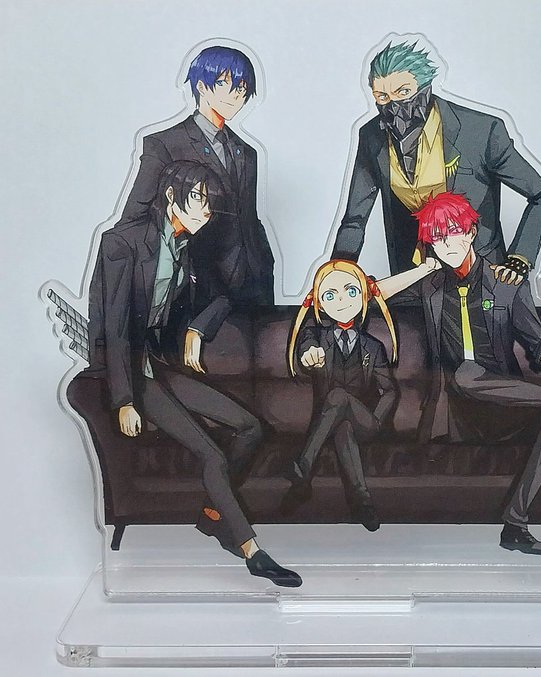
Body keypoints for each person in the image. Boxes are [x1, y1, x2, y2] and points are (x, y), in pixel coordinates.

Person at [88, 159, 301, 586]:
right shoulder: (122, 243)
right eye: (199, 199)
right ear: (171, 196)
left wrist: (195, 330)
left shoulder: (190, 246)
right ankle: (251, 551)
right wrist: (124, 400)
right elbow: (114, 327)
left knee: (251, 427)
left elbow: (225, 296)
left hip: (159, 363)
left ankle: (213, 513)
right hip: (128, 371)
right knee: (212, 455)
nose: (206, 210)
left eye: (209, 201)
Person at [376, 191, 541, 556]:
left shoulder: (505, 283)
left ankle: (515, 526)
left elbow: (539, 340)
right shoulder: (430, 287)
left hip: (506, 403)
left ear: (471, 232)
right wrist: (423, 269)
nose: (448, 244)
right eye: (437, 237)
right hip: (459, 411)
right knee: (467, 373)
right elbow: (368, 295)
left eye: (454, 232)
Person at [332, 40, 541, 285]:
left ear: (425, 88)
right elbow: (355, 216)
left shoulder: (481, 131)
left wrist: (519, 258)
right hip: (413, 275)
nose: (393, 104)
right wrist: (337, 273)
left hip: (482, 272)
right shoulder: (371, 136)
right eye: (382, 96)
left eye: (404, 92)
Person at [115, 45, 275, 304]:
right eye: (224, 83)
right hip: (197, 285)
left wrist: (264, 262)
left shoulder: (247, 152)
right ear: (201, 86)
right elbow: (134, 219)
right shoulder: (165, 144)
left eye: (242, 87)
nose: (236, 94)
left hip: (253, 282)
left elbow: (249, 217)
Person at [280, 260, 398, 531]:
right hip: (333, 423)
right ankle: (362, 502)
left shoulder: (373, 346)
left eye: (351, 291)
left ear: (363, 296)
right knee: (343, 427)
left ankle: (303, 468)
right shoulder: (315, 335)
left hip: (366, 421)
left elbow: (390, 391)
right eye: (331, 295)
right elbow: (306, 347)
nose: (342, 301)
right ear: (320, 304)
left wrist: (377, 420)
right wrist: (308, 355)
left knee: (338, 396)